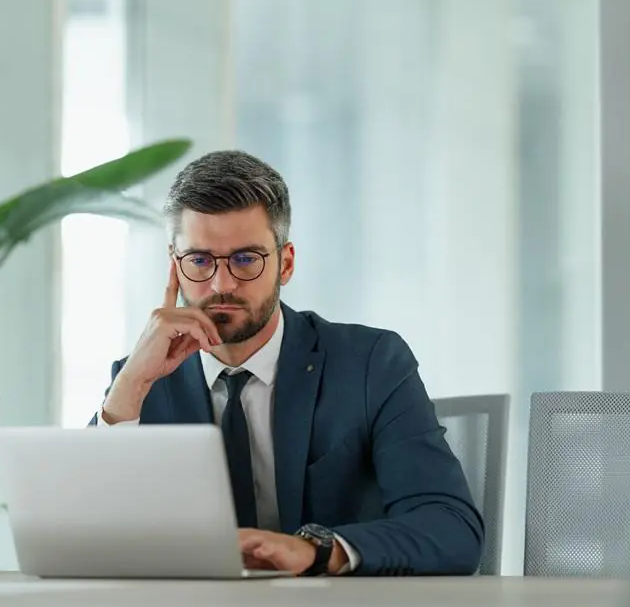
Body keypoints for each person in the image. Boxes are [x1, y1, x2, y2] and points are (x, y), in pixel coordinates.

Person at [91, 150, 483, 577]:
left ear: (286, 263)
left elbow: (452, 529)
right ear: (175, 267)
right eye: (200, 261)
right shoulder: (140, 381)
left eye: (246, 259)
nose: (222, 285)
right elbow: (83, 535)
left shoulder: (371, 364)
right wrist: (127, 390)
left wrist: (318, 550)